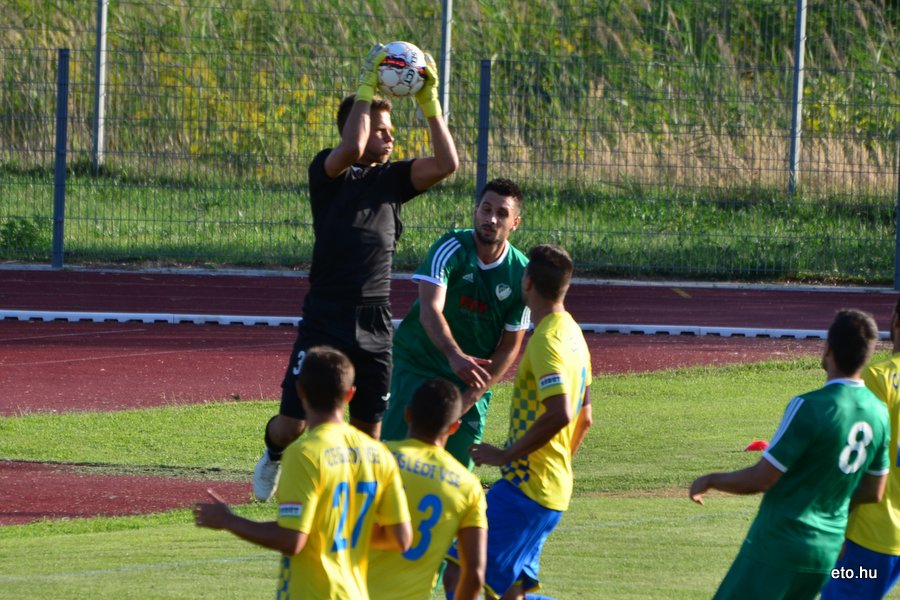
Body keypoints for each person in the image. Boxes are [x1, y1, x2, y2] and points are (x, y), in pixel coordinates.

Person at [252, 42, 459, 501]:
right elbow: (352, 146)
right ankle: (273, 454)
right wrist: (367, 85)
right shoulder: (327, 172)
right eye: (382, 129)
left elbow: (447, 164)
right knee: (293, 425)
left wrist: (430, 102)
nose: (390, 138)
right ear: (357, 125)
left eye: (391, 130)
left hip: (375, 320)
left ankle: (352, 508)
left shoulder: (394, 180)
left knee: (368, 434)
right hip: (326, 315)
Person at [690, 308, 891, 600]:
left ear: (828, 348)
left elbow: (762, 478)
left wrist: (711, 479)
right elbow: (874, 490)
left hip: (780, 543)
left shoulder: (809, 406)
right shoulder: (878, 413)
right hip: (827, 550)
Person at [194, 346, 412, 599]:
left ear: (300, 391)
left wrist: (229, 520)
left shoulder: (305, 453)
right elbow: (401, 538)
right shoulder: (378, 454)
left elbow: (292, 540)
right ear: (350, 394)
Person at [444, 243, 593, 600]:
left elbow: (563, 413)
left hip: (527, 489)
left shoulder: (547, 342)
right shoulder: (574, 334)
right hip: (548, 488)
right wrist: (554, 465)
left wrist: (504, 455)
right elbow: (586, 418)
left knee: (458, 566)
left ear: (527, 282)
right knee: (513, 594)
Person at [381, 177, 530, 469]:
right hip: (417, 365)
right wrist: (453, 355)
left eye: (502, 213)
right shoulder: (451, 246)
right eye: (485, 209)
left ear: (515, 223)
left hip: (470, 380)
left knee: (455, 475)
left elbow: (510, 345)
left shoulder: (522, 273)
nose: (491, 218)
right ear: (475, 211)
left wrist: (472, 395)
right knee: (393, 465)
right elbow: (429, 310)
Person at [368, 378, 487, 600]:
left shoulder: (375, 457)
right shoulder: (468, 486)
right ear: (454, 427)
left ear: (408, 414)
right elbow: (474, 574)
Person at [821, 297, 900, 599]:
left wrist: (835, 527)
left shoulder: (878, 379)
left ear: (895, 320)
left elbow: (856, 458)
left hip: (872, 535)